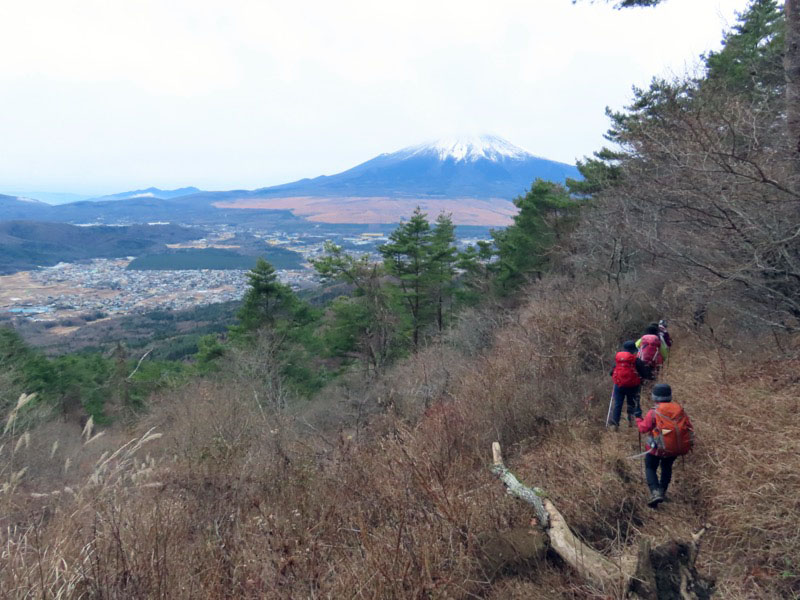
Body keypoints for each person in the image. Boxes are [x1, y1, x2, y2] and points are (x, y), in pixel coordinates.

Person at [635, 383, 694, 507]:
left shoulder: (654, 412)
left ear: (654, 397)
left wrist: (638, 418)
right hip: (674, 447)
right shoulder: (679, 410)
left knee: (650, 467)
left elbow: (643, 428)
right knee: (666, 468)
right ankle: (662, 491)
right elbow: (689, 427)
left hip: (656, 448)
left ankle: (655, 492)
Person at [608, 340, 649, 429]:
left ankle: (615, 424)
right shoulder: (636, 360)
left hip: (619, 385)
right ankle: (631, 423)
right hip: (633, 386)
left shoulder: (618, 359)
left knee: (618, 404)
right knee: (632, 403)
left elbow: (611, 373)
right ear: (632, 350)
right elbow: (644, 374)